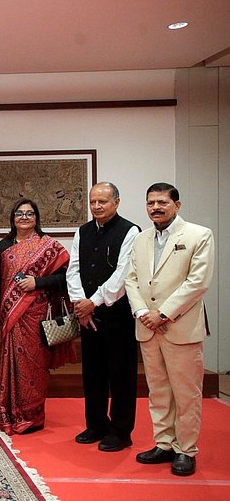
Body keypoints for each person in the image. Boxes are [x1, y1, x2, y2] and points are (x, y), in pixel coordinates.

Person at [125, 183, 214, 476]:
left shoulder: (198, 235)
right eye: (150, 203)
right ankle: (163, 443)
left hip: (179, 327)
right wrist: (141, 312)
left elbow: (197, 282)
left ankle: (186, 450)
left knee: (186, 393)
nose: (155, 208)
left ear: (177, 204)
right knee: (159, 391)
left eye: (162, 202)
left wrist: (162, 313)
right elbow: (132, 279)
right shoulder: (141, 238)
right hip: (148, 328)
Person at [0, 199, 76, 435]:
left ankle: (31, 417)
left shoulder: (48, 246)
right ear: (13, 217)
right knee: (11, 364)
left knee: (34, 367)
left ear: (36, 218)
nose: (24, 217)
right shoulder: (5, 245)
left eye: (29, 213)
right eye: (19, 213)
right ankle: (9, 414)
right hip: (11, 315)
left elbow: (64, 279)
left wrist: (37, 282)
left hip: (37, 315)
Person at [66, 183, 140, 451]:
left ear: (116, 203)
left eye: (103, 202)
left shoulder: (130, 231)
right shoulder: (82, 231)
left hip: (117, 313)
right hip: (86, 315)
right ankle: (96, 424)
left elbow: (123, 274)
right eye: (93, 202)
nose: (96, 206)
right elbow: (73, 269)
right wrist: (79, 302)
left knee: (121, 374)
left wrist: (93, 302)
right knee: (93, 373)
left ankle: (121, 431)